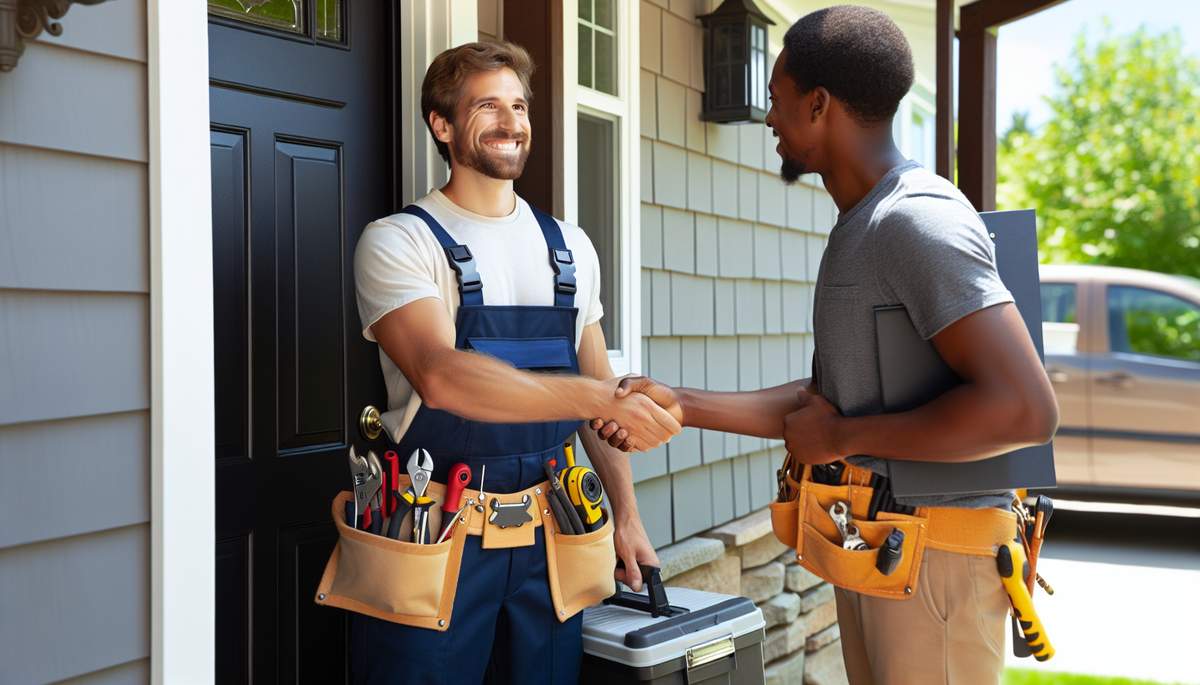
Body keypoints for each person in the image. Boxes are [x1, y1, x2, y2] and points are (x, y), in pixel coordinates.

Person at [593, 7, 1058, 684]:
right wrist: (683, 403)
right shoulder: (862, 224)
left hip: (936, 563)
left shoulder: (915, 220)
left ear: (819, 105)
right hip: (883, 552)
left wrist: (843, 436)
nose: (771, 120)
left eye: (779, 101)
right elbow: (823, 405)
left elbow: (1024, 408)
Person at [350, 41, 679, 683]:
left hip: (550, 537)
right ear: (442, 125)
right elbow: (441, 377)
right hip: (435, 531)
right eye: (488, 106)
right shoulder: (400, 241)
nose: (512, 122)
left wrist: (627, 517)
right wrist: (593, 398)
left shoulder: (570, 248)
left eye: (520, 106)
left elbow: (600, 397)